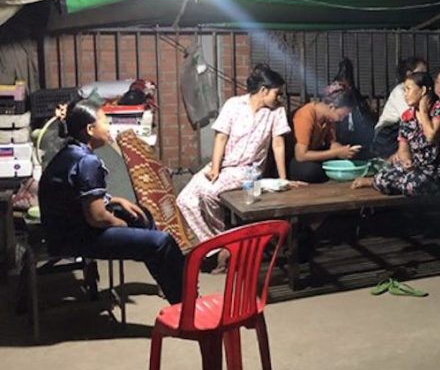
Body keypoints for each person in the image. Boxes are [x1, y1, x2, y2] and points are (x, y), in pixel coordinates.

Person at [38, 101, 184, 304]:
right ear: (90, 129)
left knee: (141, 216)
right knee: (162, 243)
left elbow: (78, 195)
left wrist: (115, 200)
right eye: (105, 122)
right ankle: (187, 306)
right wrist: (123, 226)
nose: (109, 128)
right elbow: (97, 217)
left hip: (69, 228)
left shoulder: (70, 151)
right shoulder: (87, 162)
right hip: (73, 238)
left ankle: (174, 288)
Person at [177, 64, 301, 252]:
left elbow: (278, 144)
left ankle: (223, 243)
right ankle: (215, 245)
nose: (279, 98)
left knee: (210, 192)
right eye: (277, 93)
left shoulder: (277, 111)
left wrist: (283, 179)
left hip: (246, 170)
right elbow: (221, 137)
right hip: (224, 164)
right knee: (185, 199)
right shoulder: (234, 105)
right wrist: (215, 168)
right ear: (263, 90)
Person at [352, 72, 440, 196]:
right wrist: (406, 160)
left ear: (423, 90)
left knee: (411, 184)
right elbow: (403, 147)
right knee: (382, 179)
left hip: (438, 170)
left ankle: (403, 184)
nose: (405, 95)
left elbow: (431, 137)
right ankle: (392, 182)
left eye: (408, 89)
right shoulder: (407, 115)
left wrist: (422, 112)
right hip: (415, 169)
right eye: (404, 90)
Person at [289, 81, 360, 183]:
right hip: (294, 158)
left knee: (351, 161)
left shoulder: (329, 118)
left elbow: (332, 143)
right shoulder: (306, 115)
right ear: (332, 107)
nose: (342, 119)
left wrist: (344, 150)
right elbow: (300, 155)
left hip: (312, 152)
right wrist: (336, 152)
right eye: (342, 115)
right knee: (311, 171)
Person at [372, 56, 428, 157]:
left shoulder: (421, 90)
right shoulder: (400, 91)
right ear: (409, 74)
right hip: (388, 133)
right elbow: (409, 118)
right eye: (421, 72)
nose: (425, 75)